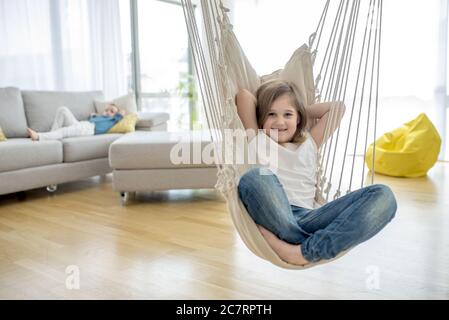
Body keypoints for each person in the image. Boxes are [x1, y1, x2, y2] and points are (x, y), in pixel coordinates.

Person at [235, 79, 397, 266]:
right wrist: (273, 109)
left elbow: (337, 108)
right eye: (271, 114)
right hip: (275, 212)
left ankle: (299, 250)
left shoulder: (309, 143)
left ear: (298, 119)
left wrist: (300, 109)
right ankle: (303, 242)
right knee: (255, 177)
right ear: (261, 119)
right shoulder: (256, 138)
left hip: (310, 217)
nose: (280, 121)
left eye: (287, 114)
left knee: (384, 195)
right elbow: (244, 97)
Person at [27, 104, 124, 141]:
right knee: (63, 109)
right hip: (82, 124)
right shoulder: (100, 116)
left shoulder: (113, 120)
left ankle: (39, 137)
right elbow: (93, 119)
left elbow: (121, 116)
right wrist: (93, 116)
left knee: (63, 131)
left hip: (88, 130)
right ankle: (52, 135)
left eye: (112, 111)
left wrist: (119, 113)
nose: (108, 112)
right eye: (107, 110)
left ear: (115, 115)